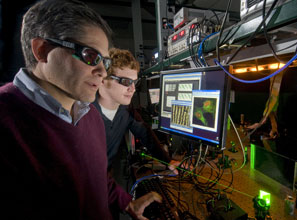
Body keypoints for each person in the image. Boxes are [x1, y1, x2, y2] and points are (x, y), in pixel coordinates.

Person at [0, 0, 161, 219]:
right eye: (90, 56)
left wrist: (126, 203)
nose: (103, 72)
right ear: (42, 50)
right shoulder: (6, 121)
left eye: (104, 61)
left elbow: (97, 177)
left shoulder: (89, 115)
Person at [93, 48, 180, 178]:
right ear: (104, 80)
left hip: (105, 180)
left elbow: (145, 134)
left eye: (135, 82)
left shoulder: (125, 110)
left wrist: (168, 160)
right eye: (126, 82)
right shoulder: (82, 113)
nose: (132, 89)